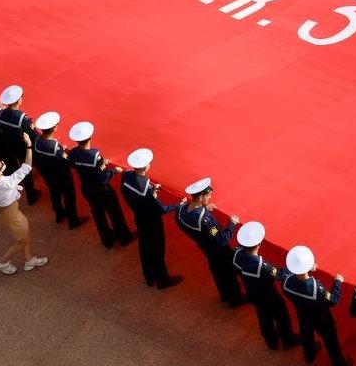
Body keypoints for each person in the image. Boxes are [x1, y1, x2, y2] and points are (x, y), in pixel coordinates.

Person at [0, 131, 47, 275]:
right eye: (1, 164)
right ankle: (2, 262)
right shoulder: (6, 183)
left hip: (7, 214)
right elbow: (27, 166)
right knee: (22, 240)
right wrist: (28, 145)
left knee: (25, 236)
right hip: (12, 216)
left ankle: (29, 261)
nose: (3, 163)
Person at [282, 245, 352, 366]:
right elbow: (333, 300)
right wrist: (337, 283)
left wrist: (308, 271)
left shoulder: (286, 283)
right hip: (321, 318)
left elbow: (298, 283)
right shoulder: (315, 287)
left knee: (305, 332)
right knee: (331, 341)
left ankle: (309, 354)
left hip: (303, 313)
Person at [176, 177, 245, 307]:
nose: (210, 197)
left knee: (217, 271)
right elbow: (221, 240)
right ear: (201, 196)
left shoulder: (183, 211)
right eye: (208, 195)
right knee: (229, 273)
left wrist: (205, 208)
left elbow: (180, 220)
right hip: (219, 251)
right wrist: (232, 224)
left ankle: (224, 294)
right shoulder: (206, 220)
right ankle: (235, 300)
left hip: (206, 248)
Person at [120, 148, 182, 289]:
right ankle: (162, 280)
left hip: (139, 217)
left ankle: (149, 277)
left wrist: (152, 191)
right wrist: (179, 205)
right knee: (157, 250)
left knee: (144, 247)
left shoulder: (126, 176)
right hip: (152, 221)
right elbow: (162, 209)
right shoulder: (146, 187)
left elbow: (130, 193)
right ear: (146, 166)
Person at [233, 221, 300, 350]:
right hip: (267, 294)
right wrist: (294, 267)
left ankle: (271, 341)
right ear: (258, 244)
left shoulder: (236, 255)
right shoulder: (260, 265)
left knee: (263, 317)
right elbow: (278, 274)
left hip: (252, 291)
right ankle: (288, 339)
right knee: (281, 314)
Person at [68, 121, 135, 249]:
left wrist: (99, 167)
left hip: (87, 188)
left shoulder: (73, 153)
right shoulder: (95, 155)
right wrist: (113, 171)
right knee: (115, 213)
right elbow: (102, 178)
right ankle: (124, 237)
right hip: (102, 190)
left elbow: (72, 164)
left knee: (98, 215)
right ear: (90, 137)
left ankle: (107, 240)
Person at [32, 111, 85, 228]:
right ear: (54, 128)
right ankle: (73, 220)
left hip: (48, 174)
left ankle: (59, 214)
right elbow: (68, 161)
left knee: (54, 193)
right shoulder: (56, 148)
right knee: (69, 195)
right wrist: (64, 151)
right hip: (61, 175)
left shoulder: (37, 142)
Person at [0, 86, 41, 205]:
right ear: (17, 101)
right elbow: (34, 134)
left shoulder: (1, 114)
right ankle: (31, 195)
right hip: (22, 147)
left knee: (17, 166)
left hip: (9, 145)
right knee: (27, 168)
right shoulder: (21, 117)